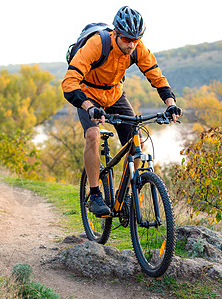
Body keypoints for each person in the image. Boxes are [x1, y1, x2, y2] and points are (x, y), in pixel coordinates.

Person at [61, 6, 183, 217]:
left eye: (136, 39)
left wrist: (170, 103)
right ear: (116, 33)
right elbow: (69, 82)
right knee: (93, 135)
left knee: (138, 143)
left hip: (115, 94)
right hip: (88, 94)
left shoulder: (137, 47)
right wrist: (89, 107)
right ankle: (95, 193)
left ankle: (126, 194)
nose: (131, 44)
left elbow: (156, 75)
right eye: (127, 39)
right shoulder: (97, 44)